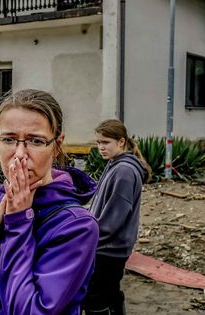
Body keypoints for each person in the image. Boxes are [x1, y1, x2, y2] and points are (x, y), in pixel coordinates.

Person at [0, 89, 99, 314]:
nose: (20, 154)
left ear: (57, 144)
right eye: (9, 140)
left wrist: (18, 223)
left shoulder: (77, 226)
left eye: (35, 141)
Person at [83, 119, 151, 315]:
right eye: (98, 143)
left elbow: (114, 219)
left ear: (121, 142)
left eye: (105, 142)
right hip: (111, 247)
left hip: (108, 249)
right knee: (110, 294)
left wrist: (88, 240)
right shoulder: (115, 164)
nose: (101, 147)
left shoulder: (124, 171)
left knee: (95, 299)